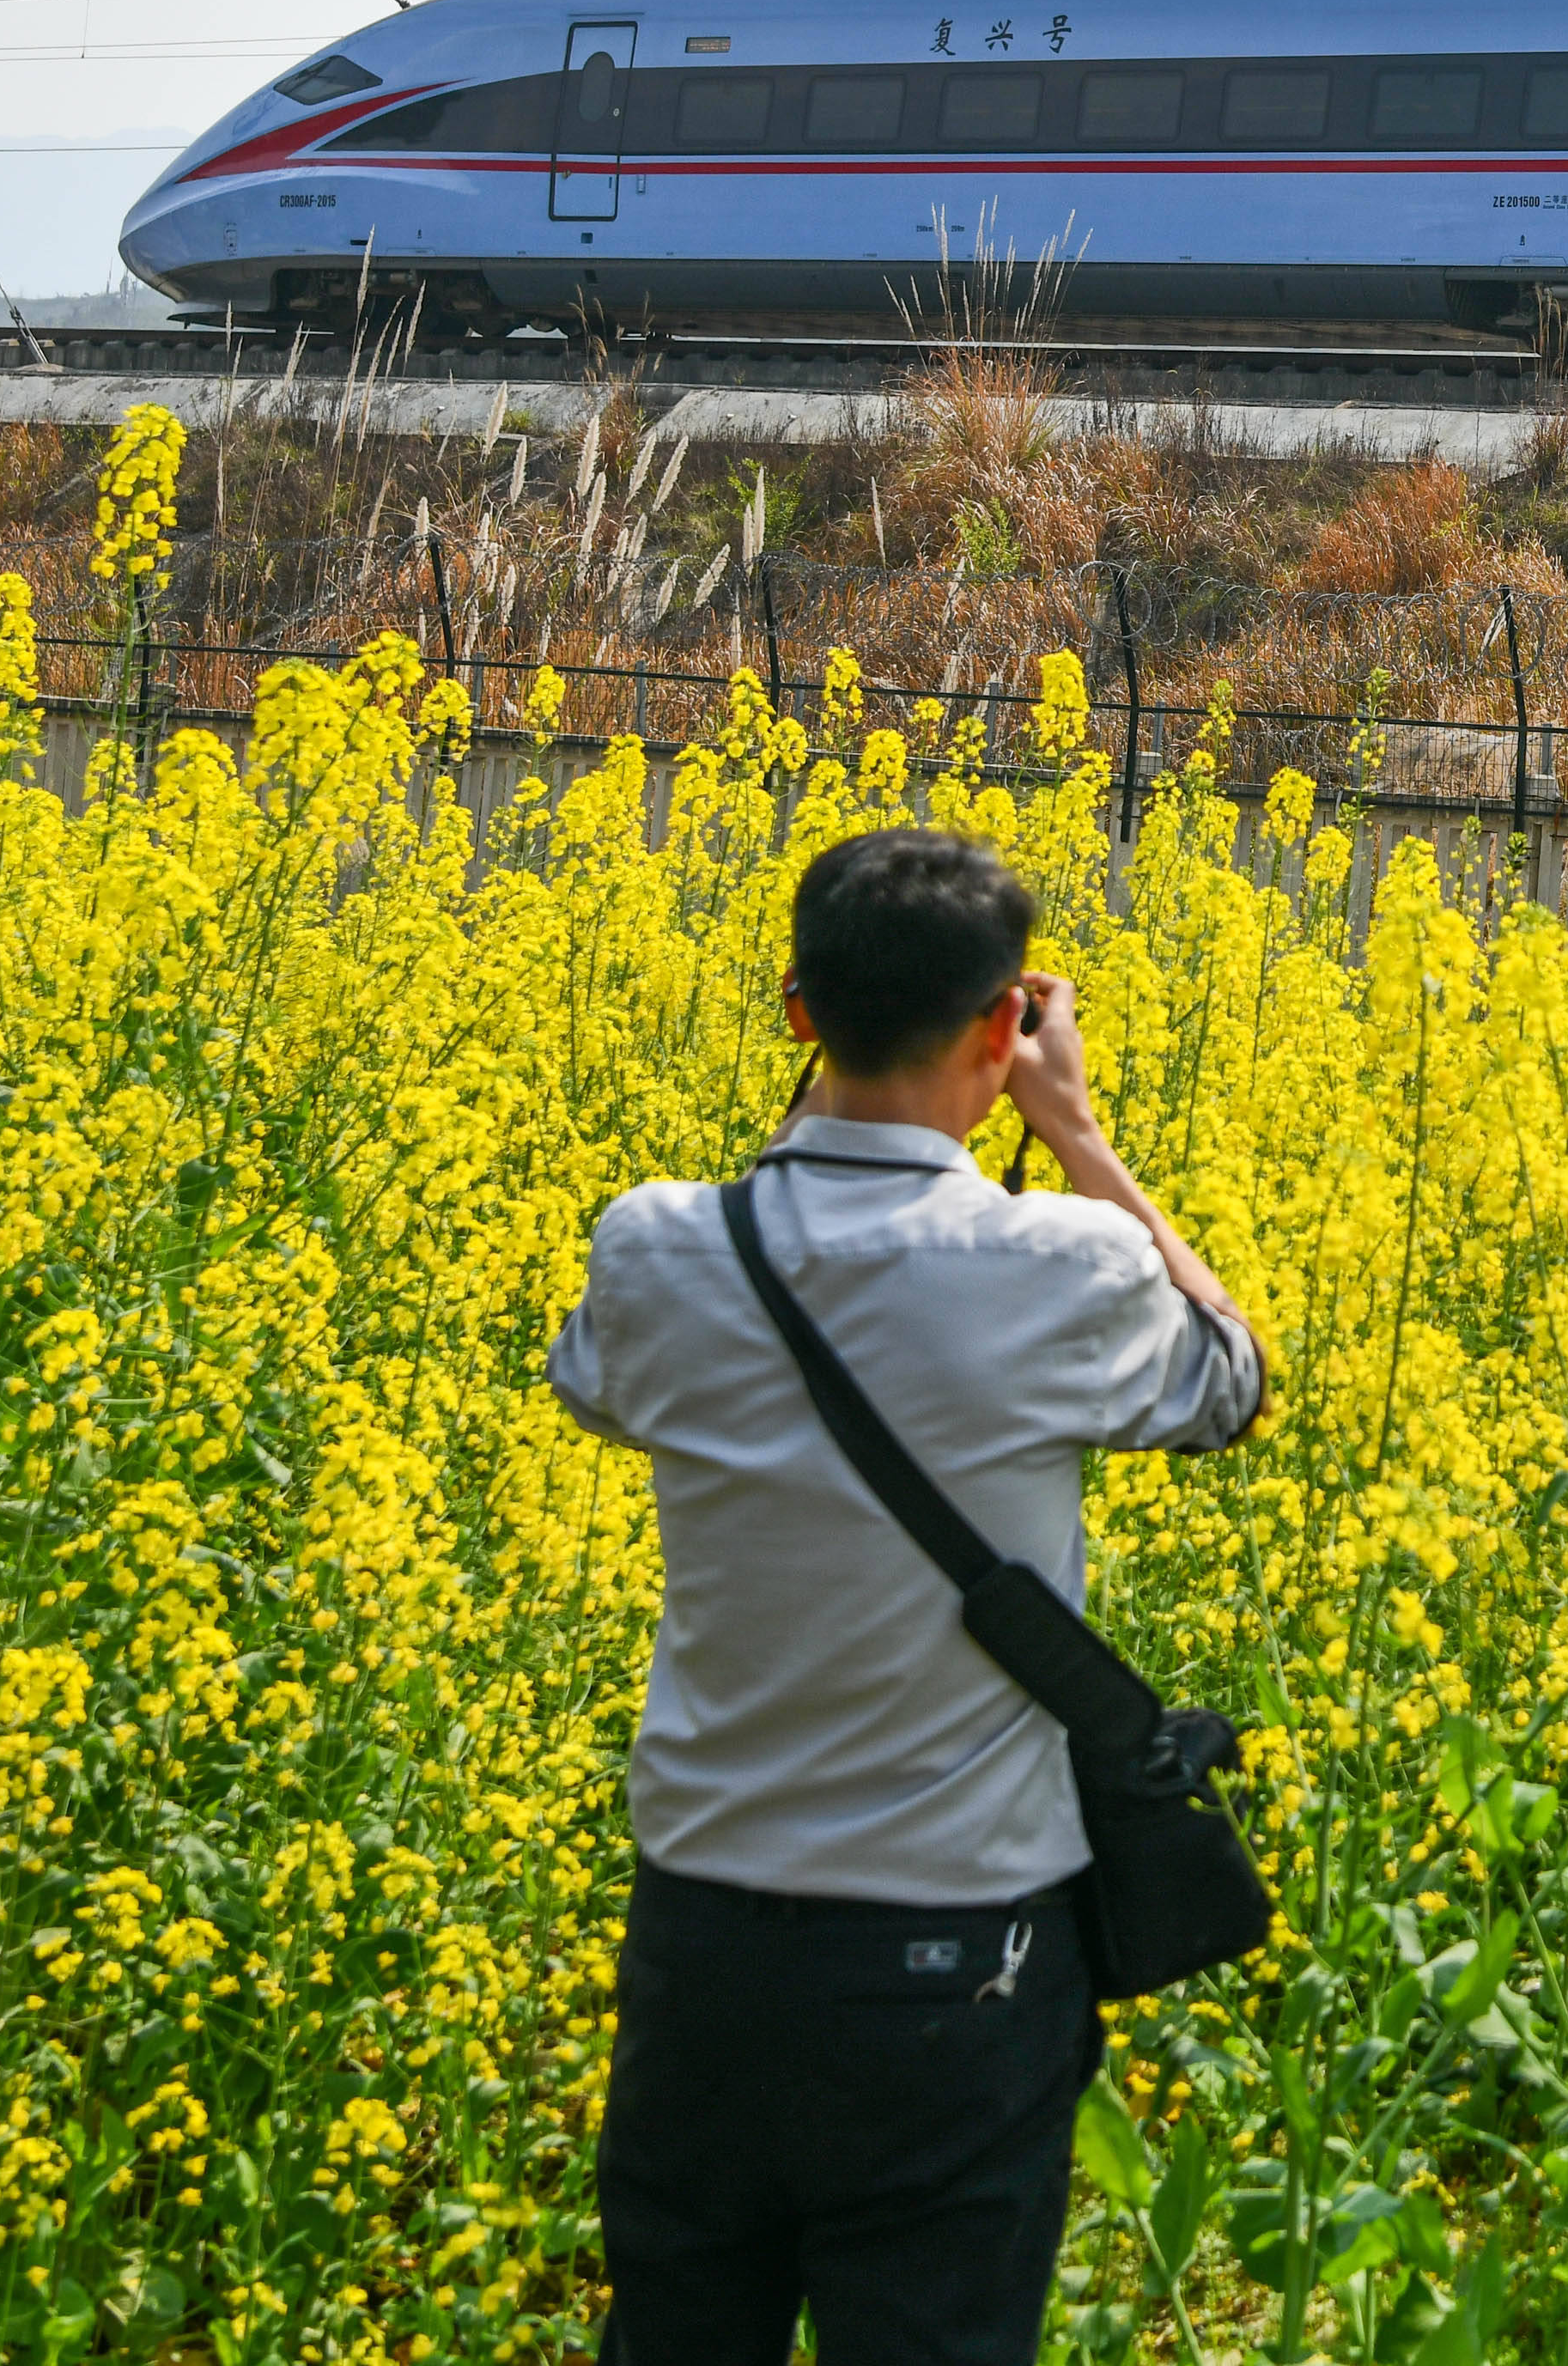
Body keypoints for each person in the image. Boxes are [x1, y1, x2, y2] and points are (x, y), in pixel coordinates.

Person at [548, 825, 1271, 2366]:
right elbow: (1230, 1379)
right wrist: (1076, 1133)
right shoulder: (1064, 1268)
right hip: (959, 1966)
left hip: (704, 1957)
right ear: (1006, 1028)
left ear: (797, 1011)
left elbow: (595, 1380)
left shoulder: (656, 1246)